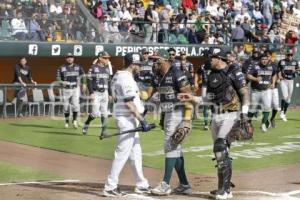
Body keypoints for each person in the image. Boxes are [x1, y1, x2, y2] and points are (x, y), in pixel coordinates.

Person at [178, 48, 250, 200]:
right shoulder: (212, 75)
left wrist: (244, 114)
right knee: (220, 154)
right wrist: (191, 98)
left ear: (219, 57)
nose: (207, 60)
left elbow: (244, 93)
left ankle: (223, 190)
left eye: (210, 57)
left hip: (231, 115)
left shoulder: (233, 71)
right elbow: (208, 99)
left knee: (220, 147)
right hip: (215, 116)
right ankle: (225, 188)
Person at [143, 49, 193, 196]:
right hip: (168, 114)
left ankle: (165, 184)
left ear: (163, 61)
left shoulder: (177, 73)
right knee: (175, 149)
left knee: (170, 146)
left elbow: (188, 95)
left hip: (178, 113)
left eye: (155, 60)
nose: (153, 63)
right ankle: (184, 184)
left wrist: (187, 119)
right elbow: (153, 95)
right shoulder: (159, 76)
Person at [103, 52, 152, 197]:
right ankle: (110, 186)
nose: (139, 67)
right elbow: (129, 104)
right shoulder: (125, 78)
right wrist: (142, 121)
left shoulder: (121, 76)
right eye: (138, 65)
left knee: (135, 152)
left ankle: (141, 183)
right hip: (127, 119)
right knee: (122, 153)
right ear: (132, 64)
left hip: (129, 118)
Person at [82, 51, 112, 138]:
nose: (107, 60)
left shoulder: (107, 68)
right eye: (105, 58)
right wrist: (91, 92)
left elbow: (109, 82)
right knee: (95, 113)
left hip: (105, 92)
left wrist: (110, 94)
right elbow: (89, 81)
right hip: (96, 93)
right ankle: (87, 123)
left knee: (104, 113)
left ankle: (104, 132)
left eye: (108, 58)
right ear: (100, 58)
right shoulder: (93, 68)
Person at [247, 53, 276, 132]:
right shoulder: (255, 66)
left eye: (265, 59)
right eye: (263, 59)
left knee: (267, 108)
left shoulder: (270, 67)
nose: (264, 61)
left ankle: (263, 124)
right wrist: (256, 79)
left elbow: (274, 74)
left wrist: (273, 83)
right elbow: (248, 75)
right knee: (252, 109)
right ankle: (248, 123)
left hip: (266, 91)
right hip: (255, 91)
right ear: (260, 60)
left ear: (268, 60)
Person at [56, 53, 86, 129]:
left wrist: (84, 84)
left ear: (73, 58)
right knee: (66, 106)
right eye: (68, 57)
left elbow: (83, 76)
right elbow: (58, 77)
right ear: (66, 59)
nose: (70, 59)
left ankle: (74, 120)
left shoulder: (78, 67)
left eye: (71, 57)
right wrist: (62, 82)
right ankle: (66, 122)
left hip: (75, 88)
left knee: (75, 105)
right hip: (66, 89)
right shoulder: (61, 67)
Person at [278, 49, 299, 121]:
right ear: (286, 55)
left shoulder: (295, 62)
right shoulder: (282, 61)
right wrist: (279, 76)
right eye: (288, 55)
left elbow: (298, 70)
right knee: (285, 96)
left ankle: (284, 113)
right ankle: (281, 111)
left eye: (291, 55)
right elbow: (278, 70)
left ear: (292, 55)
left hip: (291, 80)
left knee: (288, 99)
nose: (289, 56)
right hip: (283, 80)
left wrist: (295, 71)